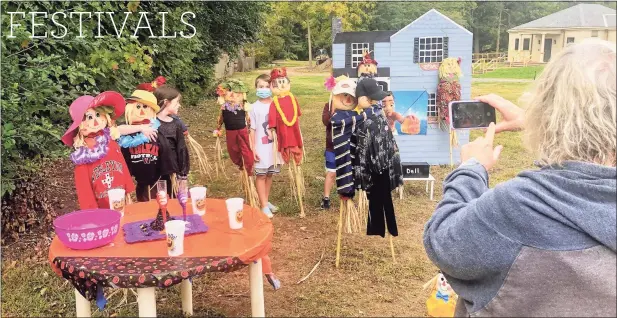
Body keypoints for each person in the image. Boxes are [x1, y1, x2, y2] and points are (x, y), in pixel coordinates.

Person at [423, 39, 616, 317]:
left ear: (546, 106)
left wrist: (471, 169)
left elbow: (443, 242)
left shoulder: (518, 208)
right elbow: (586, 171)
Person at [249, 74, 282, 218]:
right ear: (256, 89)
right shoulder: (253, 108)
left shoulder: (277, 104)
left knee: (270, 174)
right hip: (261, 147)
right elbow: (252, 129)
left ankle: (266, 200)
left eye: (267, 86)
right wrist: (253, 148)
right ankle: (263, 206)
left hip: (273, 148)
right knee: (261, 175)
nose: (264, 89)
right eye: (260, 87)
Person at [153, 85, 190, 196]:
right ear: (166, 102)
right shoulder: (150, 123)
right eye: (176, 102)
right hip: (155, 175)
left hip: (173, 173)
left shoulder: (176, 124)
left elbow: (181, 149)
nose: (179, 105)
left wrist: (182, 175)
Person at [321, 96, 336, 209]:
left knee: (346, 172)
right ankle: (326, 198)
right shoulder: (329, 105)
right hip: (332, 147)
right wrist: (333, 109)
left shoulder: (351, 104)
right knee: (331, 173)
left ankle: (347, 196)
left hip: (347, 146)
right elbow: (326, 121)